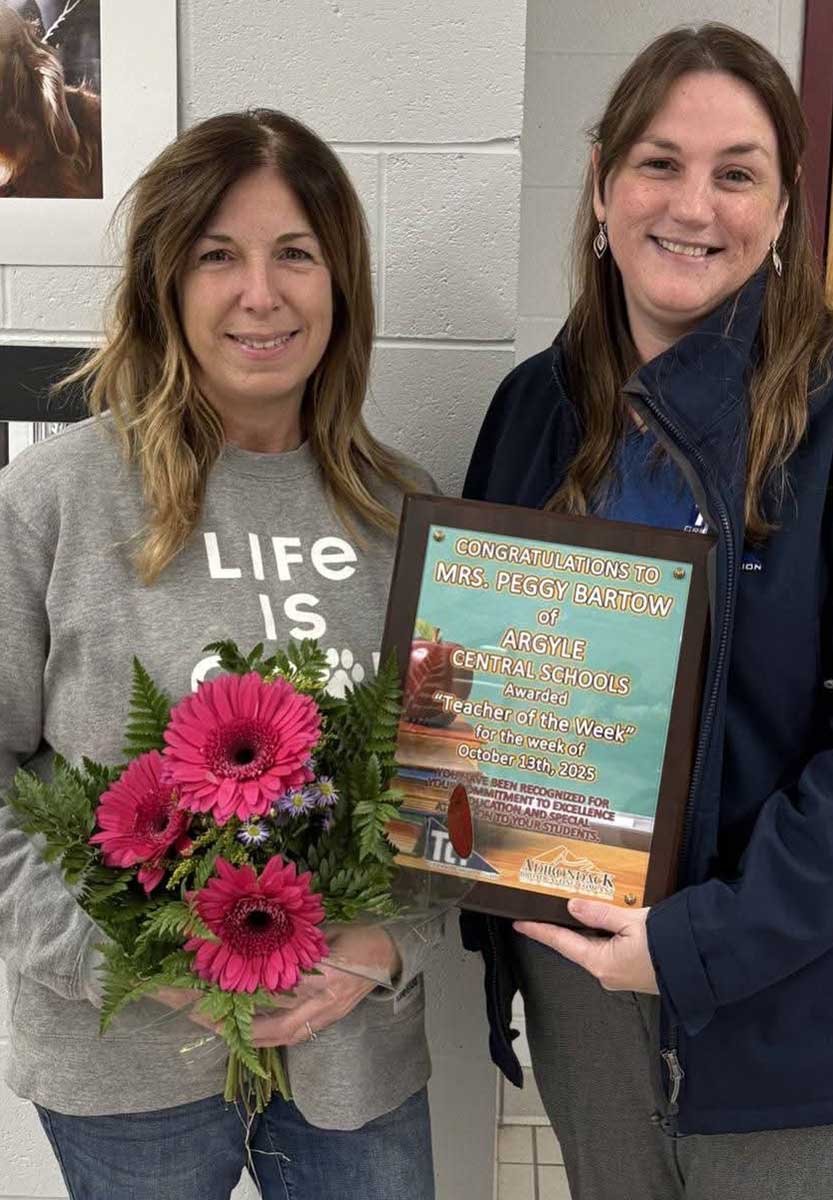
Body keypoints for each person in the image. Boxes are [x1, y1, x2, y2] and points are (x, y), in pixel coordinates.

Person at [0, 109, 439, 1200]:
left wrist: (387, 945)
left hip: (353, 1057)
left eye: (295, 252)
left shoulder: (406, 510)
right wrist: (131, 958)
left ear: (340, 282)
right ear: (164, 281)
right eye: (216, 255)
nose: (260, 293)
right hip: (124, 1070)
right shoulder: (49, 502)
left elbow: (456, 792)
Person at [461, 22, 833, 1200]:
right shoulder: (530, 409)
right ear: (600, 184)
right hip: (577, 991)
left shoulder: (827, 419)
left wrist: (693, 945)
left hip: (782, 1020)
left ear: (780, 208)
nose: (691, 206)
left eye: (736, 173)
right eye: (658, 163)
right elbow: (474, 685)